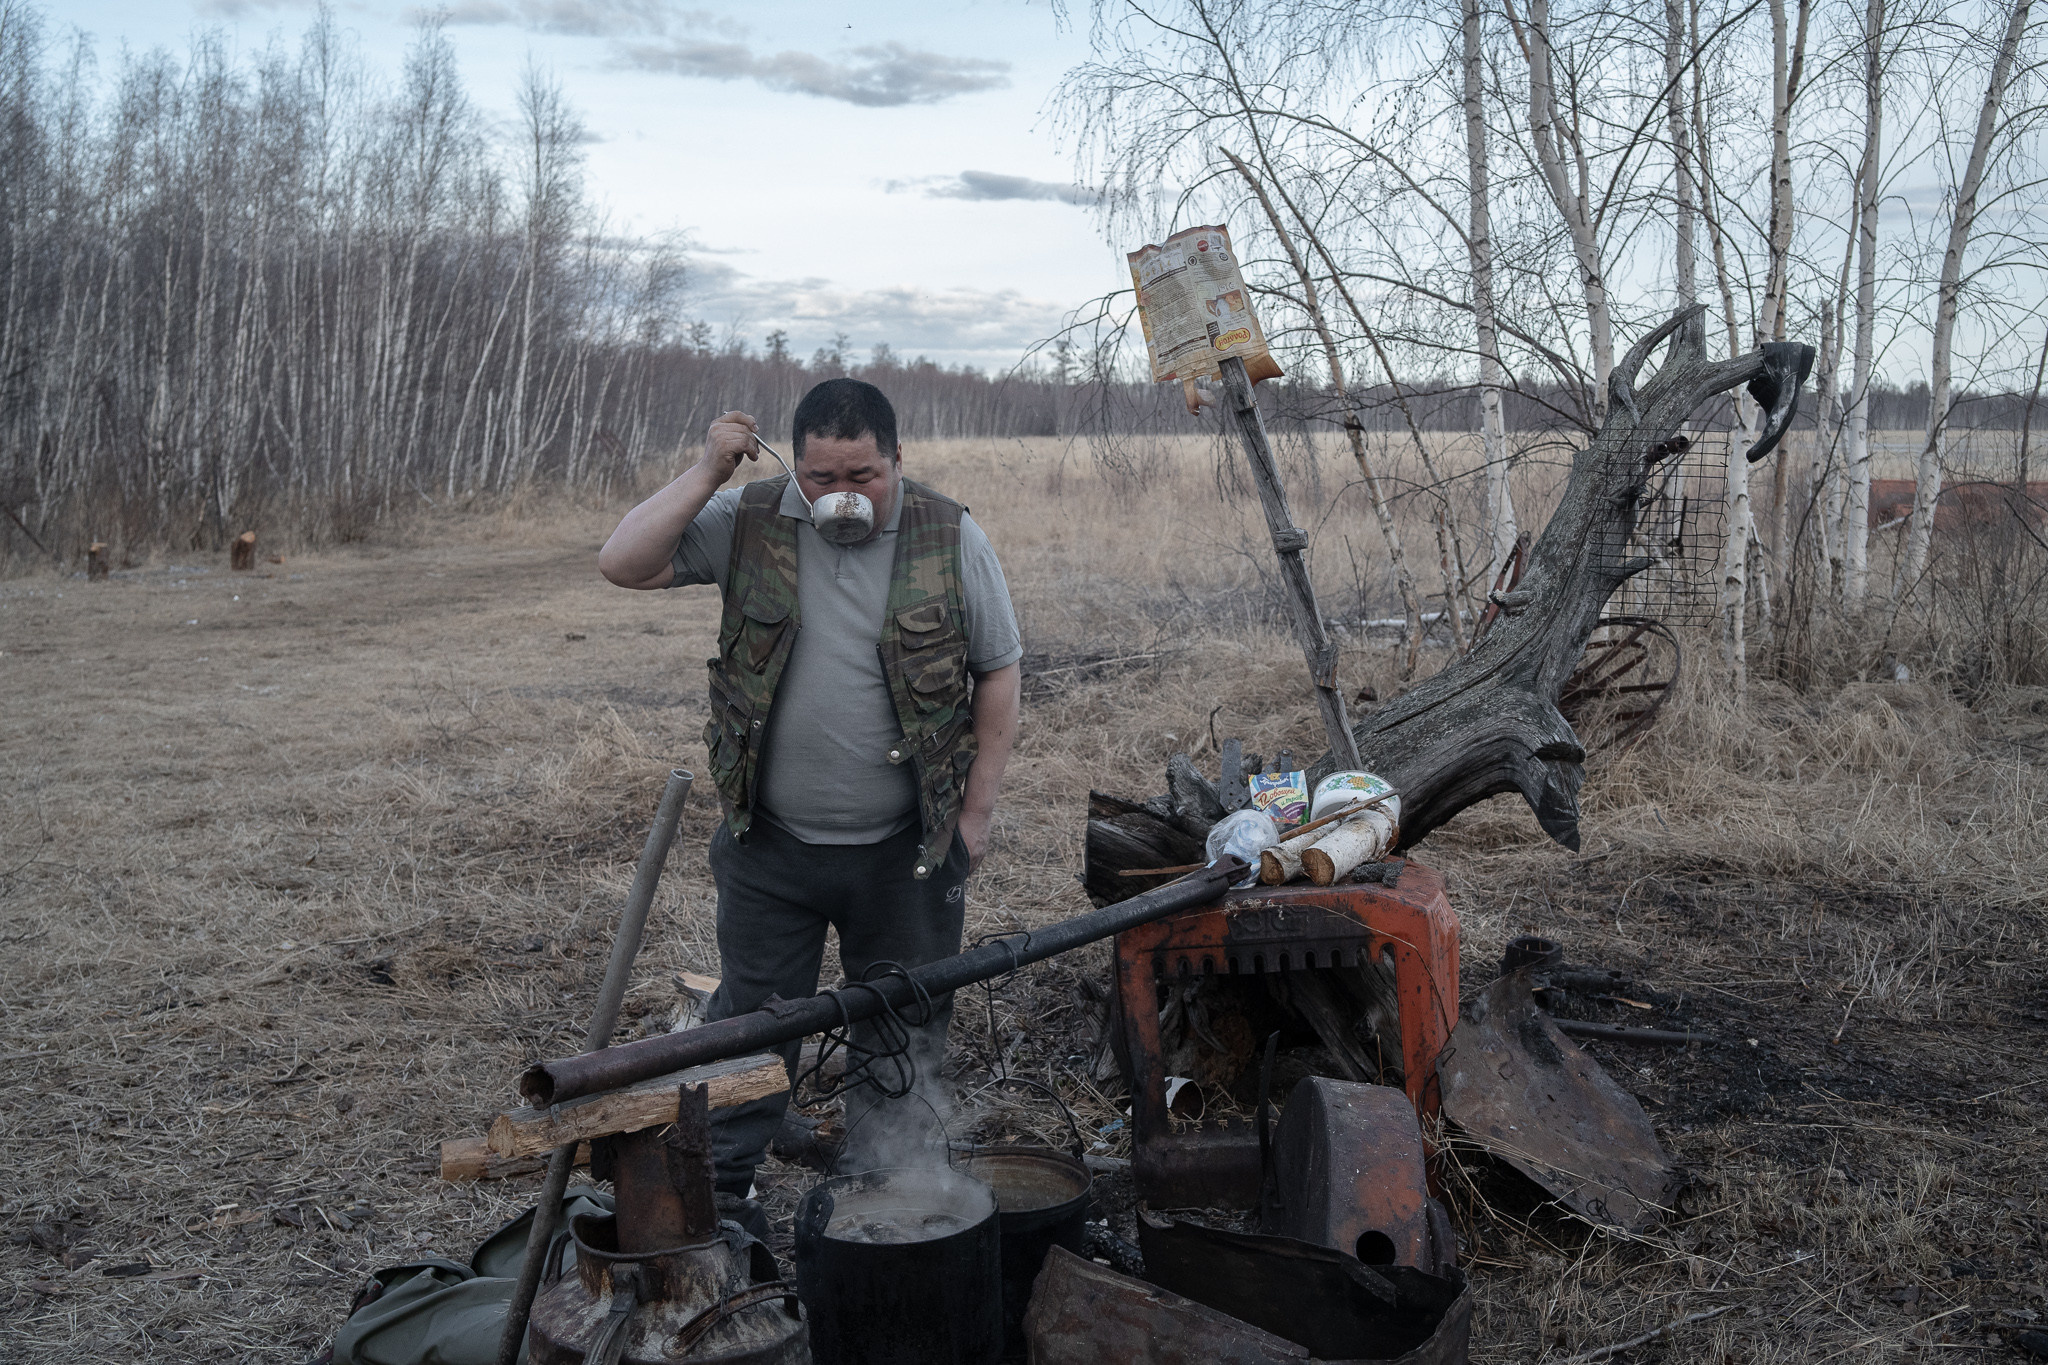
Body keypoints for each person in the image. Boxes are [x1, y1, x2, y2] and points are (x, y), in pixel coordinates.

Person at [597, 377, 1022, 1204]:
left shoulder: (949, 533)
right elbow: (622, 563)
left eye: (862, 476)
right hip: (772, 849)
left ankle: (887, 1188)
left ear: (898, 460)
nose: (841, 495)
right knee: (753, 1024)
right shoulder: (750, 519)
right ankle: (724, 1195)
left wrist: (974, 816)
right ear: (795, 468)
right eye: (821, 477)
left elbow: (997, 671)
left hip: (908, 851)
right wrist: (704, 473)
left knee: (902, 1023)